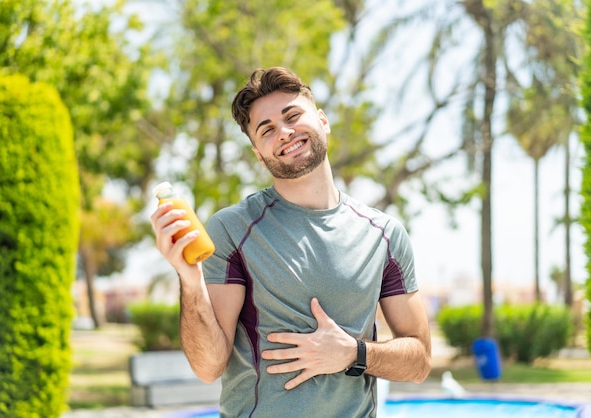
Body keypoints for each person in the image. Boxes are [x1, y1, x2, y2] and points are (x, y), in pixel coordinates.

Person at [151, 67, 431, 418]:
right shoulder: (233, 228)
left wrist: (352, 354)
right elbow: (208, 367)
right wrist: (190, 279)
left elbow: (419, 360)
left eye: (293, 115)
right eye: (266, 130)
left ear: (323, 120)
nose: (284, 132)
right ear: (258, 153)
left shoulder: (385, 234)